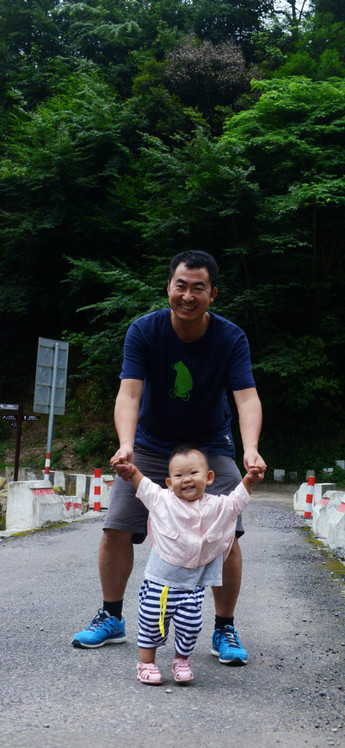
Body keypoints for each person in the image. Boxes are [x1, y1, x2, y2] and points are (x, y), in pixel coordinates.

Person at [72, 250, 266, 666]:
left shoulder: (231, 338)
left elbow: (246, 398)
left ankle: (224, 627)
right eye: (182, 285)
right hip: (153, 444)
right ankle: (111, 616)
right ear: (169, 287)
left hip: (210, 445)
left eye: (199, 288)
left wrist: (249, 449)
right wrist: (126, 444)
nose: (189, 295)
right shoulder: (145, 331)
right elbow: (129, 393)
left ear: (213, 293)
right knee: (116, 527)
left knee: (227, 534)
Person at [112, 446, 265, 685]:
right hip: (159, 583)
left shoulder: (217, 506)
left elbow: (236, 503)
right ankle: (147, 663)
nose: (187, 480)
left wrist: (248, 480)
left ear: (209, 477)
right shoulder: (162, 500)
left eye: (194, 472)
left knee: (190, 625)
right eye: (179, 475)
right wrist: (131, 471)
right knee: (151, 622)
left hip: (193, 586)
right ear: (169, 482)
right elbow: (144, 486)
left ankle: (181, 660)